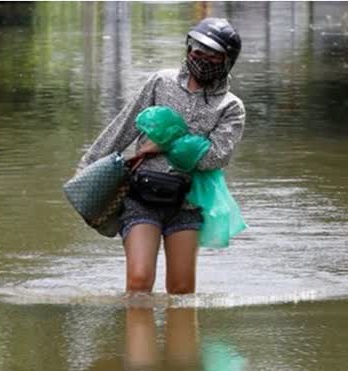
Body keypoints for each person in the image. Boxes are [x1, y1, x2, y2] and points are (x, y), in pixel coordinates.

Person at [77, 18, 246, 294]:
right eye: (197, 51)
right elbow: (124, 126)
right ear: (188, 49)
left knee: (181, 292)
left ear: (227, 60)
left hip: (188, 204)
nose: (202, 59)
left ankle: (181, 337)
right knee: (139, 282)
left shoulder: (231, 107)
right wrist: (86, 169)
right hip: (140, 196)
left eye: (212, 55)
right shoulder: (161, 82)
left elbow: (215, 157)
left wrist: (165, 142)